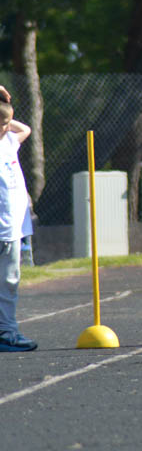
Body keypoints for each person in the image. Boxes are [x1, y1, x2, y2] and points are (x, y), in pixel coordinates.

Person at [0, 100, 38, 352]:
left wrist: (4, 107)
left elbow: (24, 129)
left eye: (5, 125)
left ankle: (7, 332)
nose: (6, 128)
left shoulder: (9, 142)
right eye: (2, 125)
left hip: (11, 230)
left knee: (10, 282)